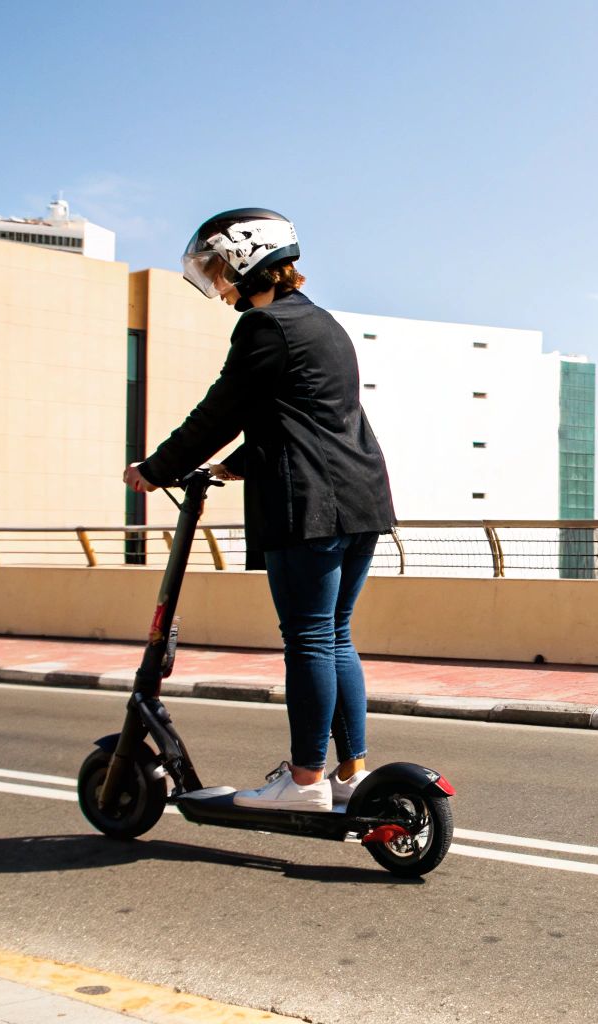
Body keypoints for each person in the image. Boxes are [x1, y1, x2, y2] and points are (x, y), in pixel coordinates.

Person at [123, 208, 394, 812]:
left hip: (309, 506)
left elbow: (222, 409)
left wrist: (155, 469)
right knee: (334, 636)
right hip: (361, 497)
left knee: (308, 639)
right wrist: (237, 465)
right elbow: (307, 414)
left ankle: (303, 783)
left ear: (248, 260)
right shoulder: (322, 323)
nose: (218, 285)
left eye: (220, 269)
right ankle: (350, 774)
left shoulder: (264, 327)